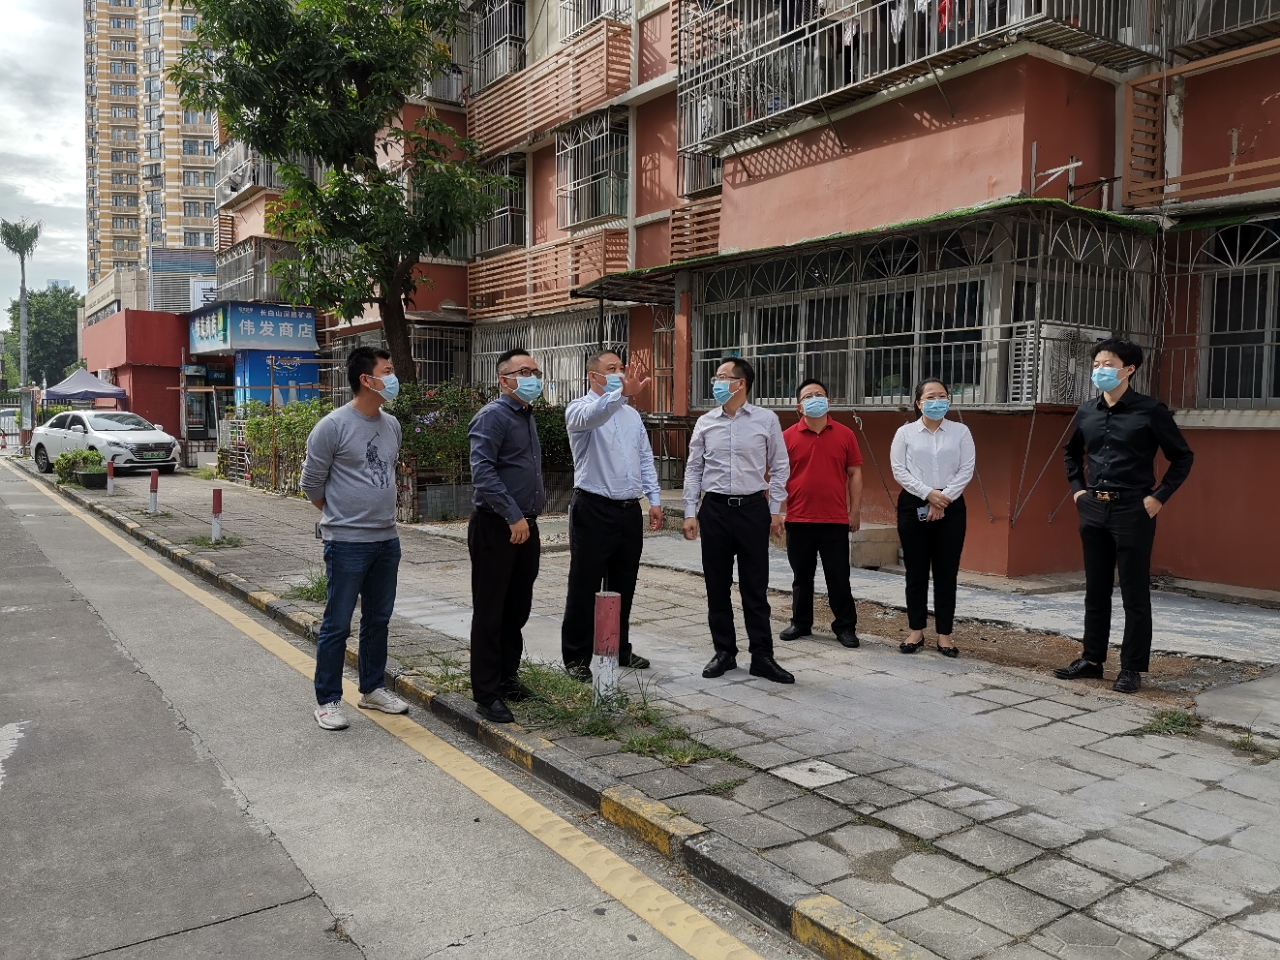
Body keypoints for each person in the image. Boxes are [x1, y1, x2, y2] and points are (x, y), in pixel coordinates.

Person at [1057, 337, 1194, 694]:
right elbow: (1071, 454)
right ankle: (1092, 660)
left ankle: (1131, 668)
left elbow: (1183, 457)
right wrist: (1078, 491)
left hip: (1134, 509)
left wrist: (1159, 497)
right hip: (1093, 508)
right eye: (1096, 365)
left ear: (1129, 369)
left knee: (1134, 593)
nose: (1100, 371)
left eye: (1108, 365)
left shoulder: (1151, 411)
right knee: (1096, 590)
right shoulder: (1086, 412)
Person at [301, 346, 411, 730]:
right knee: (338, 623)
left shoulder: (392, 424)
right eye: (388, 370)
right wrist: (341, 517)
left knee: (378, 619)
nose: (394, 377)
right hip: (347, 542)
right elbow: (311, 483)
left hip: (387, 538)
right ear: (367, 379)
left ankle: (372, 688)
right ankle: (328, 700)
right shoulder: (333, 426)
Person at [683, 357, 794, 684]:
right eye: (716, 377)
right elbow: (694, 468)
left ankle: (762, 656)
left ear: (740, 383)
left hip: (752, 510)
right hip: (714, 510)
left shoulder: (766, 419)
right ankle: (724, 652)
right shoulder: (705, 422)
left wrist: (775, 509)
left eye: (722, 377)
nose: (716, 383)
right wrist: (690, 512)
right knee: (716, 585)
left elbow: (780, 466)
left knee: (754, 587)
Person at [561, 351, 664, 680]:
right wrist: (620, 394)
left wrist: (654, 499)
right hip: (593, 509)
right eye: (612, 369)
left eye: (621, 368)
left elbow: (644, 458)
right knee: (584, 585)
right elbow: (595, 415)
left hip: (628, 510)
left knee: (624, 584)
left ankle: (619, 647)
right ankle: (576, 657)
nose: (620, 373)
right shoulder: (579, 410)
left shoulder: (631, 416)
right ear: (594, 376)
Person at [467, 347, 547, 724]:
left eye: (535, 372)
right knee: (490, 611)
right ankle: (486, 694)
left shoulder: (526, 416)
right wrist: (513, 515)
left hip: (525, 526)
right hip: (497, 526)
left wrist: (526, 517)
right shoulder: (492, 416)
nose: (532, 378)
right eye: (524, 372)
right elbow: (482, 472)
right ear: (504, 380)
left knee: (517, 608)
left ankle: (507, 678)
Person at [890, 378, 975, 658]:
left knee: (946, 572)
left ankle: (944, 635)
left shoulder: (961, 431)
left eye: (942, 396)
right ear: (919, 403)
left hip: (951, 505)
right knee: (915, 571)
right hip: (913, 503)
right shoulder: (905, 433)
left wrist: (942, 498)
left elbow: (966, 469)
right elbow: (899, 470)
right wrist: (928, 494)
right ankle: (916, 631)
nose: (937, 401)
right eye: (931, 397)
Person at [780, 378, 864, 648]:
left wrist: (855, 511)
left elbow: (855, 473)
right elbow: (777, 477)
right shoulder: (787, 437)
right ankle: (800, 623)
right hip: (798, 518)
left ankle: (845, 627)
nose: (814, 399)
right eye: (808, 396)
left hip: (835, 520)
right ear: (799, 406)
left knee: (838, 576)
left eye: (819, 394)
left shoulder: (845, 434)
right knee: (801, 577)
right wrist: (775, 512)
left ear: (828, 402)